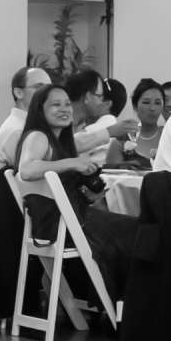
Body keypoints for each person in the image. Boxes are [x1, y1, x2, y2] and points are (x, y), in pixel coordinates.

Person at [13, 82, 136, 301]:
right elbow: (27, 169)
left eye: (67, 104)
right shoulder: (38, 136)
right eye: (55, 105)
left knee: (133, 229)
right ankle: (124, 305)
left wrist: (88, 196)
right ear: (39, 110)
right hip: (61, 226)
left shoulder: (59, 140)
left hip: (66, 221)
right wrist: (72, 162)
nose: (64, 109)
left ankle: (119, 303)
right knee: (137, 230)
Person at [64, 67, 140, 165]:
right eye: (100, 96)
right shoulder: (59, 120)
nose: (101, 102)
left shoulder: (78, 124)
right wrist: (109, 132)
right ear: (87, 97)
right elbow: (64, 147)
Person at [0, 66, 52, 165]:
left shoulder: (30, 125)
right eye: (39, 87)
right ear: (19, 93)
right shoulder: (18, 130)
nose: (48, 93)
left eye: (49, 88)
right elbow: (29, 175)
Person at [126, 78, 169, 166]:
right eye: (146, 102)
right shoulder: (123, 138)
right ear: (135, 106)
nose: (152, 108)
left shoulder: (169, 136)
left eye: (157, 103)